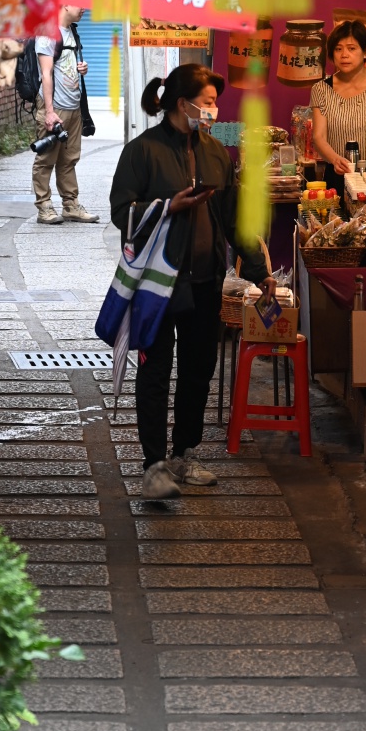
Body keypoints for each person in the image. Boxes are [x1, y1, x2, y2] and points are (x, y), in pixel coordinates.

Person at [110, 63, 275, 501]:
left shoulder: (215, 151)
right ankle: (153, 465)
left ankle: (185, 452)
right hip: (159, 282)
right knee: (155, 370)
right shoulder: (142, 151)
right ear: (182, 104)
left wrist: (260, 271)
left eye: (215, 103)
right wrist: (169, 206)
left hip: (205, 280)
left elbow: (235, 219)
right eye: (207, 103)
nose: (214, 111)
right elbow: (121, 213)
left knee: (199, 370)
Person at [310, 18, 366, 193]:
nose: (344, 55)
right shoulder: (321, 89)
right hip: (338, 176)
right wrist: (336, 160)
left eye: (351, 48)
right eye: (338, 49)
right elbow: (319, 137)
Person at [33, 5, 98, 224]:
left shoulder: (72, 31)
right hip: (55, 107)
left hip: (73, 106)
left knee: (69, 159)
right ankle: (44, 207)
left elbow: (66, 66)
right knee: (46, 159)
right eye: (79, 3)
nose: (84, 8)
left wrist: (82, 69)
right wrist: (49, 112)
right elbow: (46, 73)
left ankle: (71, 206)